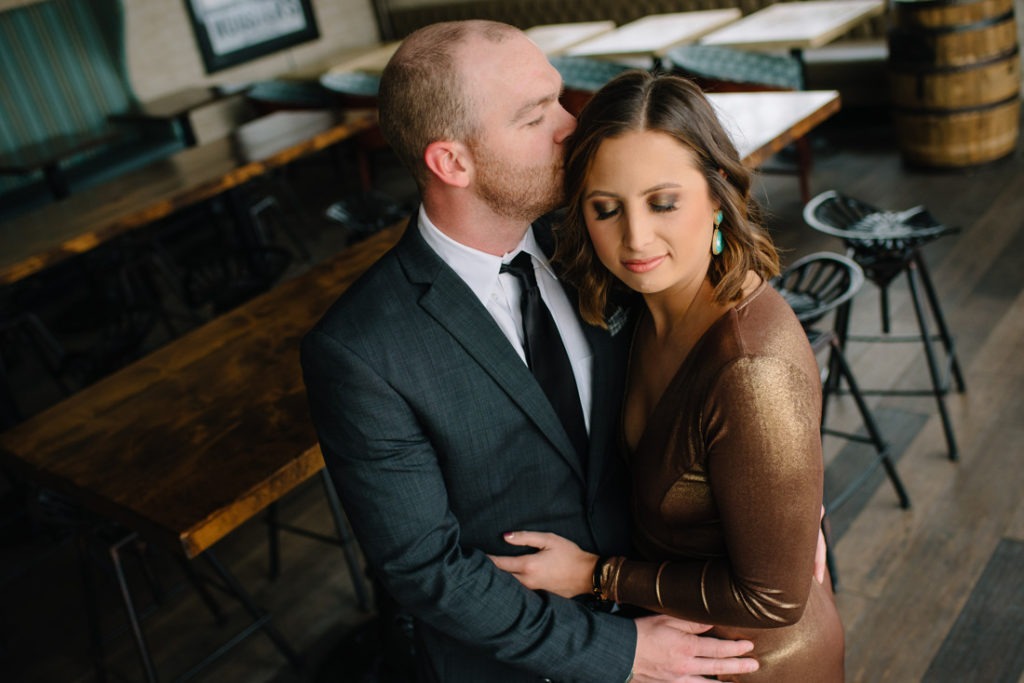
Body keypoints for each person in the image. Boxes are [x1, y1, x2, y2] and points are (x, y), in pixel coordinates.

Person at [301, 20, 762, 683]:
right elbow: (427, 570)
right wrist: (621, 651)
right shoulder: (359, 350)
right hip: (522, 663)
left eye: (559, 97)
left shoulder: (596, 231)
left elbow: (711, 335)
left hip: (677, 600)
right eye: (534, 115)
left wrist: (783, 483)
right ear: (452, 161)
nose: (571, 125)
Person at [489, 71, 845, 682]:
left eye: (663, 202)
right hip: (668, 638)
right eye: (607, 209)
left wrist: (593, 573)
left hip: (750, 663)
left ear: (717, 196)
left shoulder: (749, 370)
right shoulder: (639, 307)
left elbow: (776, 600)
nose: (635, 238)